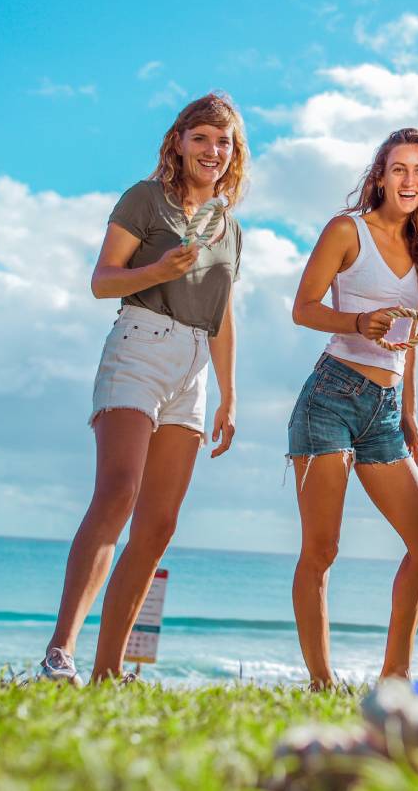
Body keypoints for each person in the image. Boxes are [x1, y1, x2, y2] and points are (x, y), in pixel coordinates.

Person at [38, 93, 248, 685]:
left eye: (224, 142)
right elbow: (102, 281)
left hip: (194, 369)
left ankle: (108, 673)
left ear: (235, 154)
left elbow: (224, 313)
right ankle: (60, 653)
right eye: (202, 137)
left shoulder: (230, 227)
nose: (213, 150)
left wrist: (229, 394)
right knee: (118, 494)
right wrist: (159, 271)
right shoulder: (144, 198)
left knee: (159, 524)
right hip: (138, 347)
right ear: (179, 142)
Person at [287, 128, 418, 690]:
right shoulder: (346, 230)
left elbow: (411, 342)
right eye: (399, 169)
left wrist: (408, 411)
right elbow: (303, 309)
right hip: (330, 397)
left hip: (383, 410)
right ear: (379, 176)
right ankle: (321, 681)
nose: (410, 181)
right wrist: (357, 322)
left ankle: (394, 677)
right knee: (322, 548)